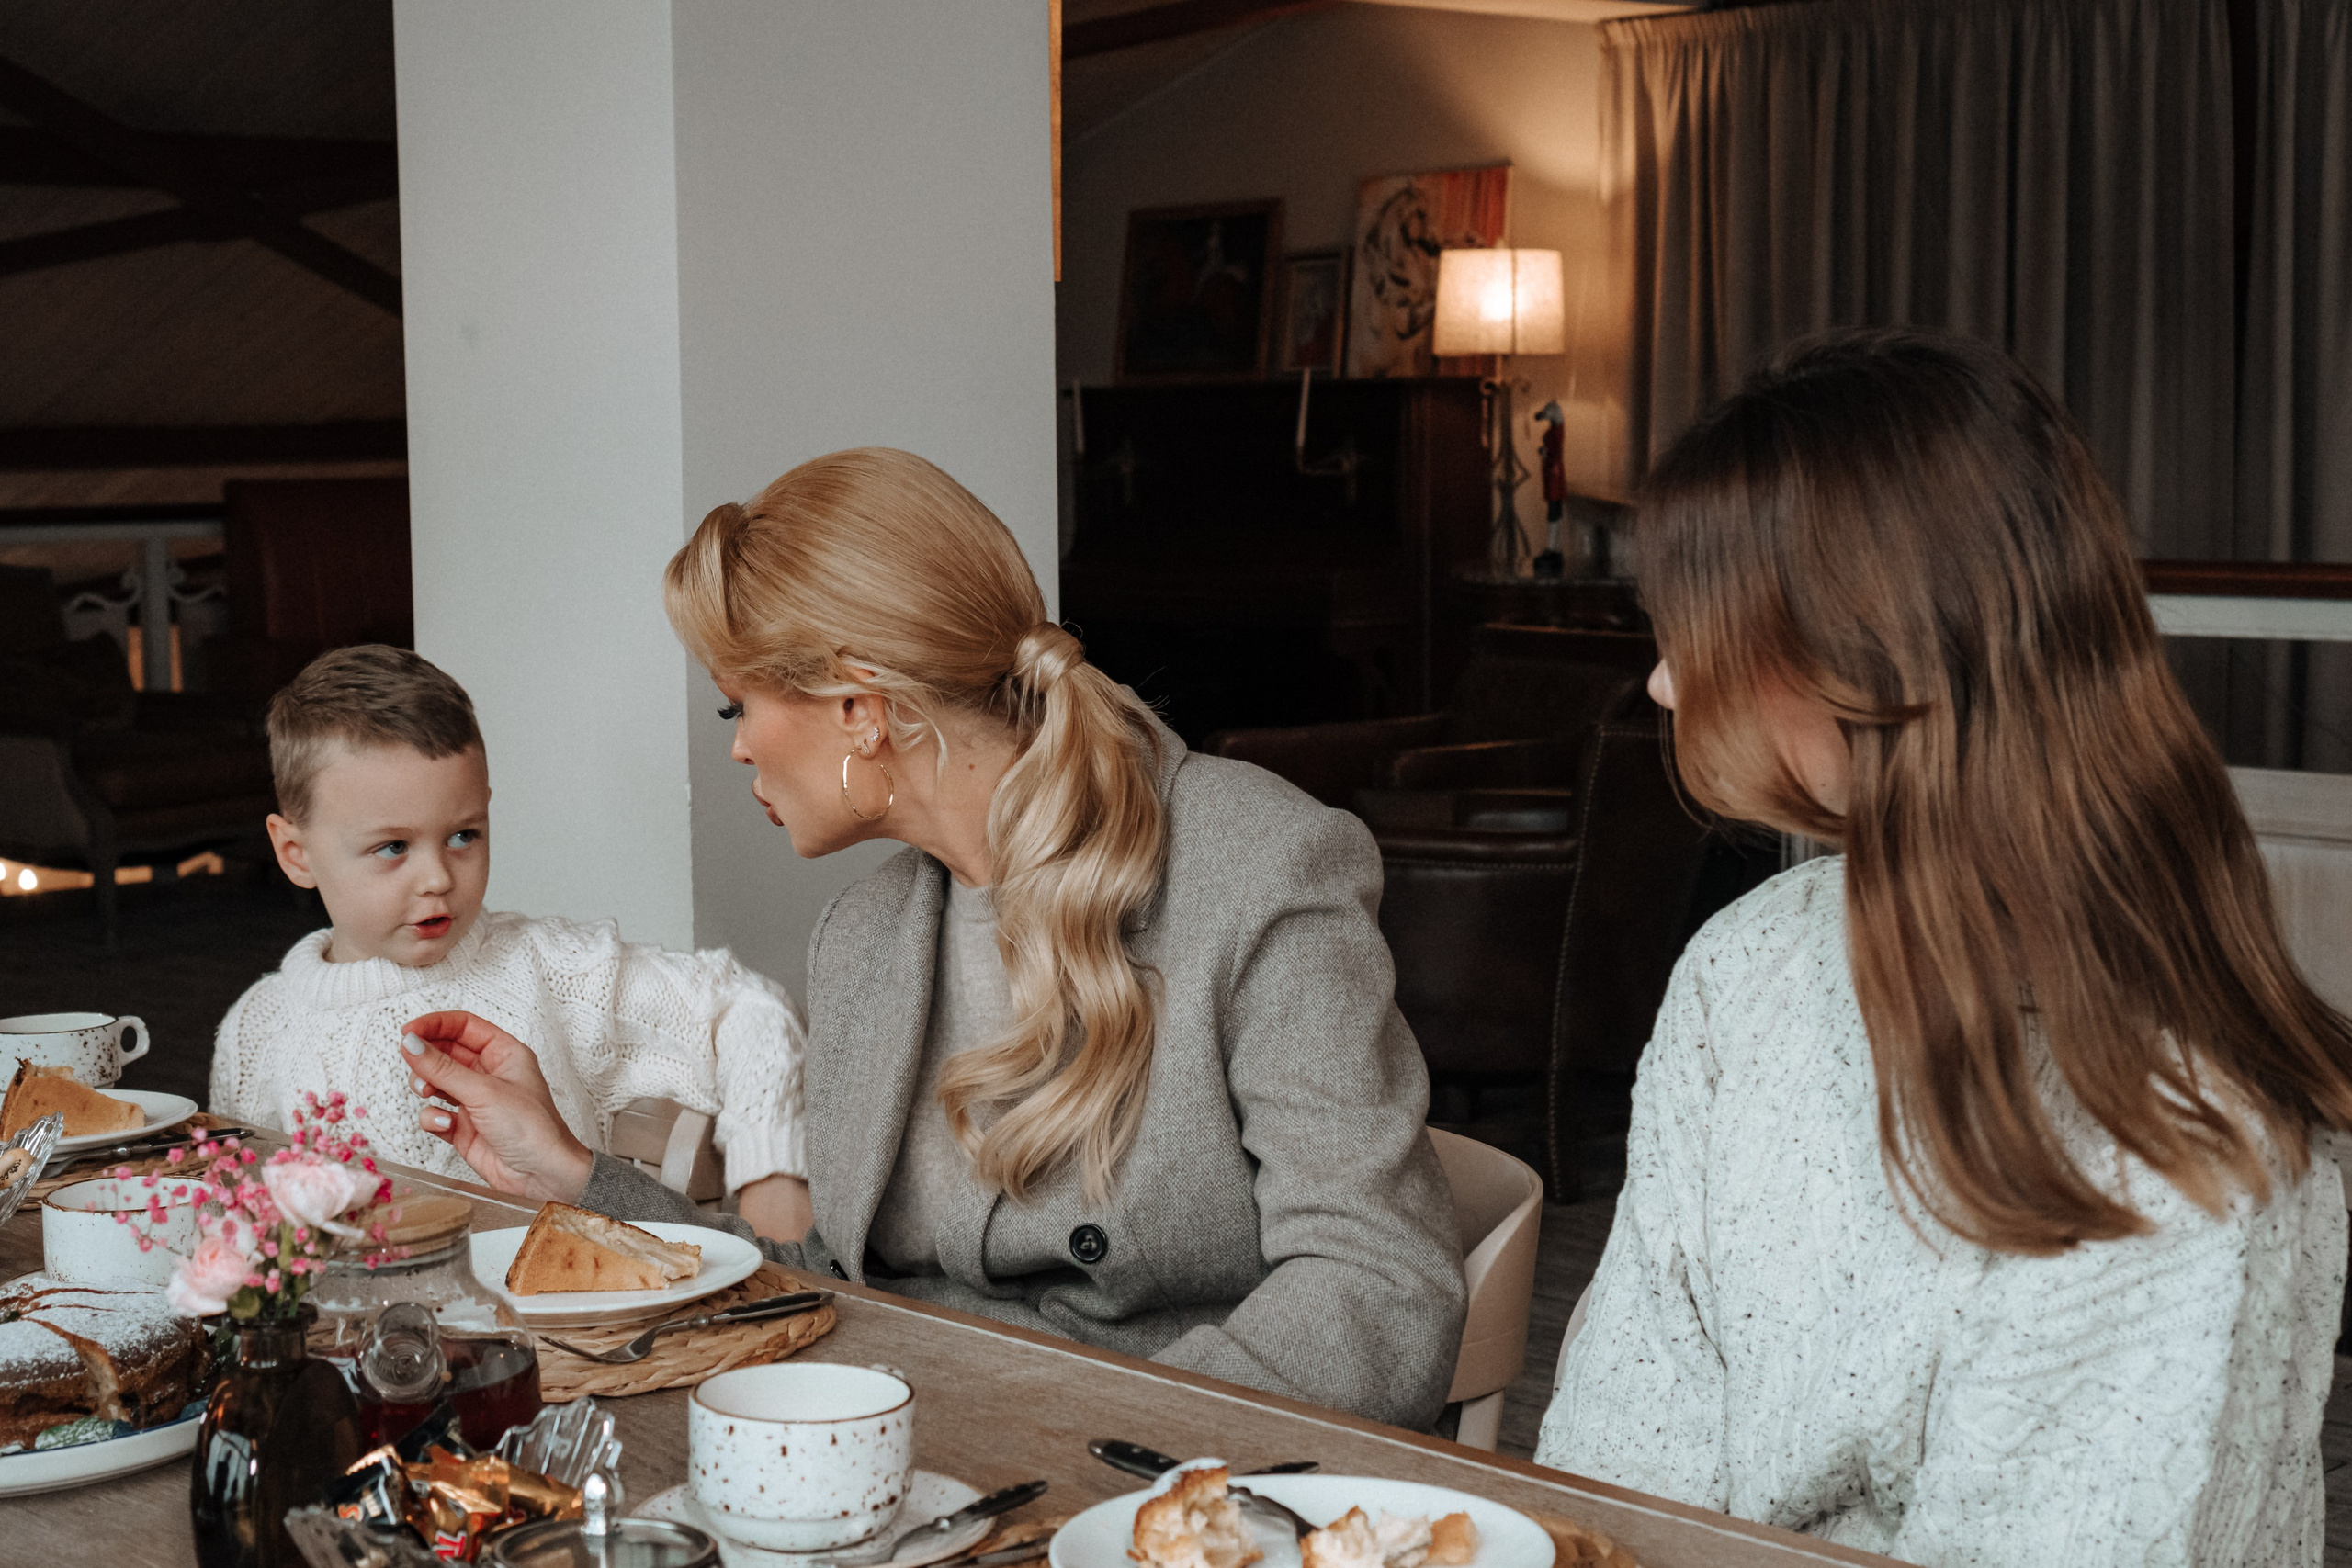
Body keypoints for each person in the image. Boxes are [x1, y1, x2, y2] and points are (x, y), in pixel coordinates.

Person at [397, 448, 1467, 1429]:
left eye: (737, 710)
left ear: (862, 710)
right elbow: (821, 1280)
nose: (738, 753)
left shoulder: (1257, 866)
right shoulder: (864, 936)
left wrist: (1108, 1458)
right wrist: (580, 1179)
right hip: (901, 1462)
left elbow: (1377, 1285)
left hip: (1148, 1492)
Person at [1533, 330, 2352, 1565]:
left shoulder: (2182, 1135)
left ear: (1871, 658)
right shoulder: (1736, 969)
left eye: (1704, 635)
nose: (1660, 684)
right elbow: (1613, 1461)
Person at [209, 644, 810, 1240]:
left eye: (463, 834)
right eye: (393, 847)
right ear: (296, 852)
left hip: (555, 1327)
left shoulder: (556, 969)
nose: (439, 877)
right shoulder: (256, 1031)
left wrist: (771, 1184)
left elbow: (745, 1005)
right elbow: (232, 1235)